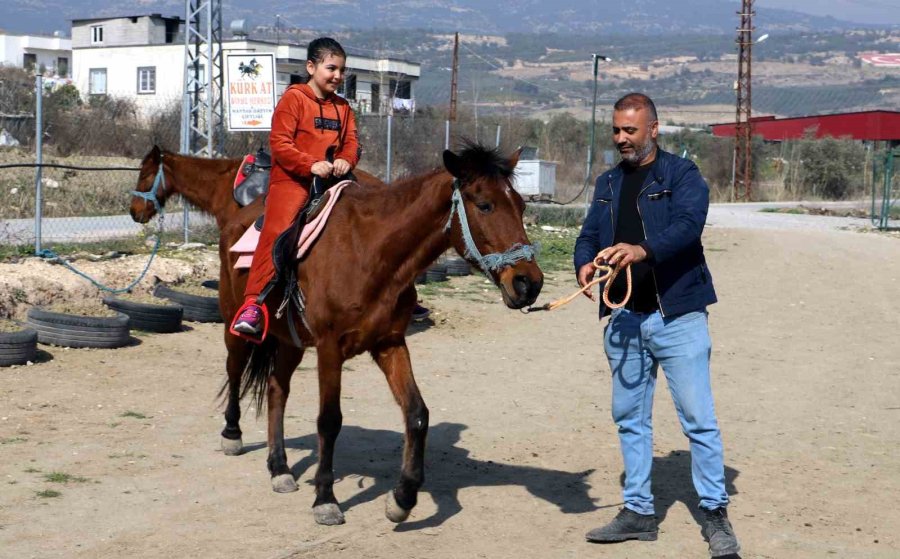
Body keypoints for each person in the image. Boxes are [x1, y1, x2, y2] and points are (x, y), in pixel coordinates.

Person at [574, 93, 740, 557]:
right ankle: (639, 512)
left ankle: (714, 513)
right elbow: (588, 233)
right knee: (630, 419)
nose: (621, 138)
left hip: (678, 315)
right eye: (616, 130)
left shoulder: (681, 175)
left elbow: (689, 225)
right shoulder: (608, 182)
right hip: (625, 318)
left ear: (654, 128)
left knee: (699, 422)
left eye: (630, 130)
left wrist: (641, 250)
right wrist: (584, 263)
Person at [232, 37, 359, 338]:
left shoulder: (343, 108)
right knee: (279, 228)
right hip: (292, 180)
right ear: (311, 67)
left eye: (342, 70)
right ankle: (253, 305)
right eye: (331, 68)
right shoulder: (293, 99)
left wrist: (346, 159)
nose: (337, 76)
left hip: (333, 179)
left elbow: (352, 143)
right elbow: (280, 144)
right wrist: (309, 164)